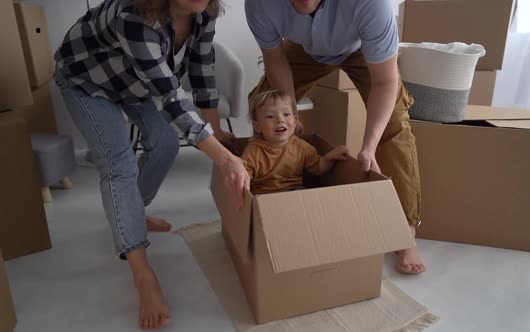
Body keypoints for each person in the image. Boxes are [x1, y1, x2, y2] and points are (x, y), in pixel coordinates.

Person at [53, 0, 249, 329]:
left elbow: (202, 70)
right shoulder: (134, 15)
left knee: (166, 144)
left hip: (133, 82)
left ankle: (131, 214)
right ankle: (143, 277)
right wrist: (224, 158)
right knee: (120, 165)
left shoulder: (205, 12)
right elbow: (172, 98)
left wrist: (217, 140)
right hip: (86, 82)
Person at [245, 0, 426, 274]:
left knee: (394, 124)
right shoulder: (259, 4)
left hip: (361, 49)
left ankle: (405, 230)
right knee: (265, 105)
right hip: (307, 51)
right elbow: (275, 59)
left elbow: (385, 82)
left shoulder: (371, 4)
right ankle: (267, 194)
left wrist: (369, 147)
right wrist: (289, 111)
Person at [242, 90, 348, 194]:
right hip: (264, 195)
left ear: (295, 121)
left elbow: (318, 167)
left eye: (286, 114)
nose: (280, 120)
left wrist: (329, 158)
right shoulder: (253, 151)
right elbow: (243, 177)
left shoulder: (300, 146)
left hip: (295, 192)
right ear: (257, 126)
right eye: (270, 116)